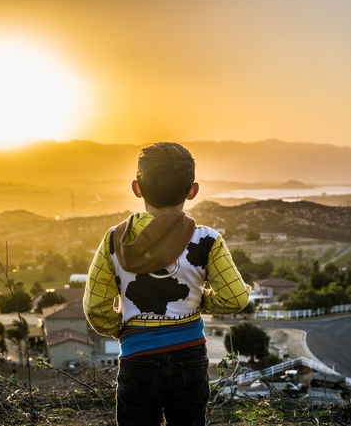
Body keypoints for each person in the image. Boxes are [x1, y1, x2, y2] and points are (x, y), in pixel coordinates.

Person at [83, 142, 251, 426]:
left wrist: (125, 330)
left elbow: (95, 307)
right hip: (190, 358)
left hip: (137, 359)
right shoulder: (206, 241)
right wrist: (199, 300)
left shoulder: (114, 240)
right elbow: (236, 298)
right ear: (192, 191)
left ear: (137, 188)